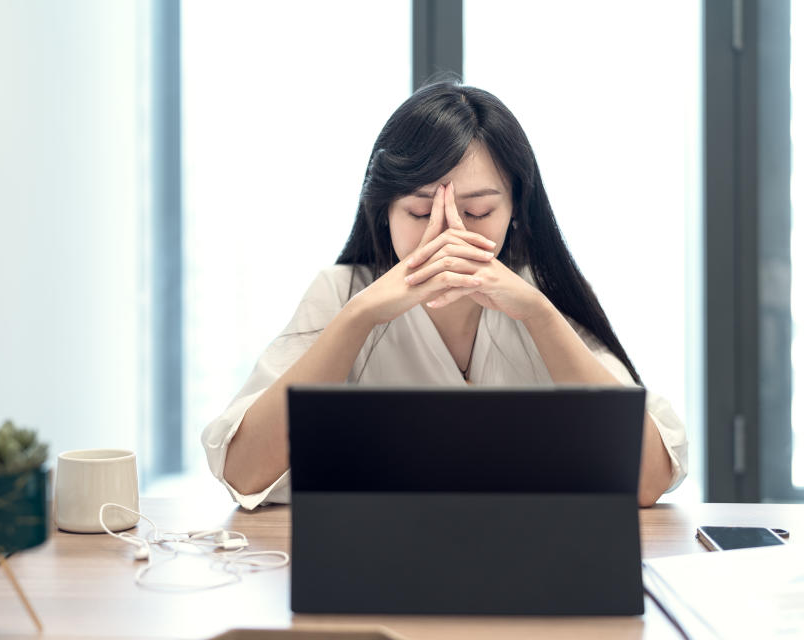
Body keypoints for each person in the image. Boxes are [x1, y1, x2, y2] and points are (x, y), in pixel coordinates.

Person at [202, 81, 687, 510]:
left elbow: (646, 479)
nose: (445, 237)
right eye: (419, 213)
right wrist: (358, 317)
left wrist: (540, 315)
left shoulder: (545, 295)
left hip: (528, 566)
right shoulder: (342, 292)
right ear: (384, 210)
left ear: (516, 210)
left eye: (476, 213)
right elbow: (244, 472)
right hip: (376, 565)